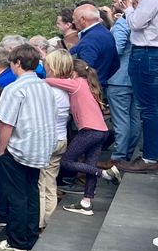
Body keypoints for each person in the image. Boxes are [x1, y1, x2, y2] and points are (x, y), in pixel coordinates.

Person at [0, 44, 59, 251]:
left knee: (16, 196)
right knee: (32, 192)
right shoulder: (45, 87)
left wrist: (1, 149)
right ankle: (30, 236)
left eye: (12, 63)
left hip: (18, 148)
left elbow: (7, 123)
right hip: (40, 147)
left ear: (18, 63)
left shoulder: (14, 89)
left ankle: (18, 242)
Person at [47, 60, 122, 215]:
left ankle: (104, 174)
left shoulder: (77, 83)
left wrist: (35, 80)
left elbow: (51, 81)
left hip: (89, 132)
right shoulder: (88, 84)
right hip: (102, 131)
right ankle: (86, 202)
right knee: (90, 166)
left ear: (74, 72)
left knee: (66, 162)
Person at [119, 0, 158, 171]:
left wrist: (128, 8)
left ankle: (150, 158)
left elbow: (136, 23)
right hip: (151, 52)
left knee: (149, 108)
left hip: (146, 52)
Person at [36, 51, 72, 228]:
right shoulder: (67, 88)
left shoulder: (48, 90)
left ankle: (39, 221)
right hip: (61, 138)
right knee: (50, 182)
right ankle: (49, 219)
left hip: (46, 140)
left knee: (40, 184)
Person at [108, 0, 141, 163]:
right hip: (136, 77)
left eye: (115, 1)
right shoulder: (140, 20)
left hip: (119, 77)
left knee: (121, 119)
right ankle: (127, 153)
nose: (113, 5)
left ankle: (119, 156)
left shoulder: (123, 22)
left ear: (123, 1)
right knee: (135, 119)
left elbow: (117, 49)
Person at [71, 4, 120, 84]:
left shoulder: (90, 39)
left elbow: (84, 69)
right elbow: (115, 64)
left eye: (74, 19)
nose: (73, 22)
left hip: (90, 86)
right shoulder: (106, 33)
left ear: (83, 20)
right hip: (100, 83)